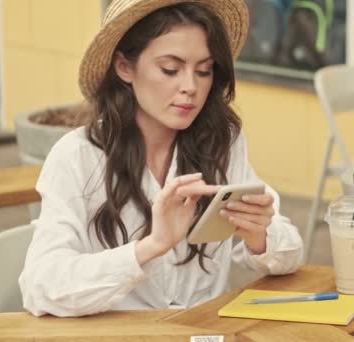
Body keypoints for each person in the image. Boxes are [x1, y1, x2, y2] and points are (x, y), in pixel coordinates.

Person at [19, 0, 303, 317]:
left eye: (204, 71)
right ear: (125, 67)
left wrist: (260, 237)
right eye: (170, 69)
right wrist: (150, 246)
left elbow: (291, 255)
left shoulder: (223, 143)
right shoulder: (77, 156)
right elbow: (40, 287)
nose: (190, 87)